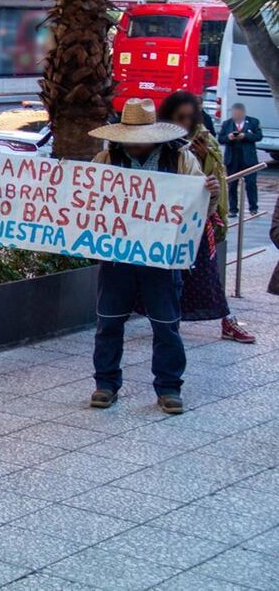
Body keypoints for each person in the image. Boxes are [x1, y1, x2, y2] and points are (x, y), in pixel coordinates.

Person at [87, 98, 219, 415]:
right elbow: (86, 204)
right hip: (118, 257)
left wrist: (210, 195)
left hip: (162, 259)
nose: (134, 144)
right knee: (109, 323)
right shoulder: (105, 159)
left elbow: (199, 211)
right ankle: (105, 384)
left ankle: (169, 387)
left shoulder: (181, 160)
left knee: (166, 325)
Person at [157, 92, 255, 343]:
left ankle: (227, 320)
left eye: (190, 117)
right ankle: (167, 318)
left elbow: (215, 176)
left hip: (197, 219)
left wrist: (202, 158)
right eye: (180, 117)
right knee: (168, 276)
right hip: (165, 220)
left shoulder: (203, 138)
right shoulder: (159, 140)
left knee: (207, 273)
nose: (185, 123)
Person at [219, 103, 263, 216]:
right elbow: (220, 139)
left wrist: (245, 136)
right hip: (232, 159)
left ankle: (253, 208)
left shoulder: (253, 122)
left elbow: (259, 136)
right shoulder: (227, 124)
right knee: (232, 184)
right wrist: (228, 137)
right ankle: (233, 209)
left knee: (251, 184)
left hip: (248, 159)